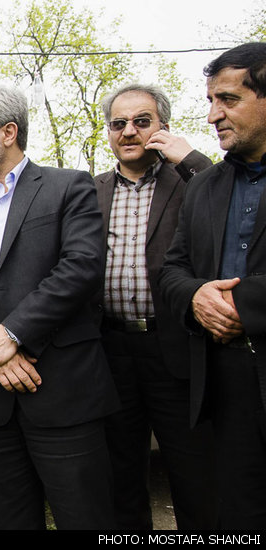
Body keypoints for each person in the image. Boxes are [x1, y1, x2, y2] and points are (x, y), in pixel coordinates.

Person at [0, 84, 119, 530]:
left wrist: (12, 334)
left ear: (8, 131)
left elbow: (81, 268)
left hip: (64, 392)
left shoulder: (69, 186)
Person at [95, 83, 217, 530]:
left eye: (141, 121)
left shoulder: (189, 182)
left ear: (163, 127)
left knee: (193, 475)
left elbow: (228, 198)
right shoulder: (90, 190)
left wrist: (191, 159)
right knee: (121, 475)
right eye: (118, 123)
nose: (129, 131)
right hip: (111, 352)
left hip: (175, 350)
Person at [159, 42, 266, 529]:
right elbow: (173, 270)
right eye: (210, 100)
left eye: (228, 100)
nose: (212, 116)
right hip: (225, 385)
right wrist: (196, 296)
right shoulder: (203, 184)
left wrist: (242, 303)